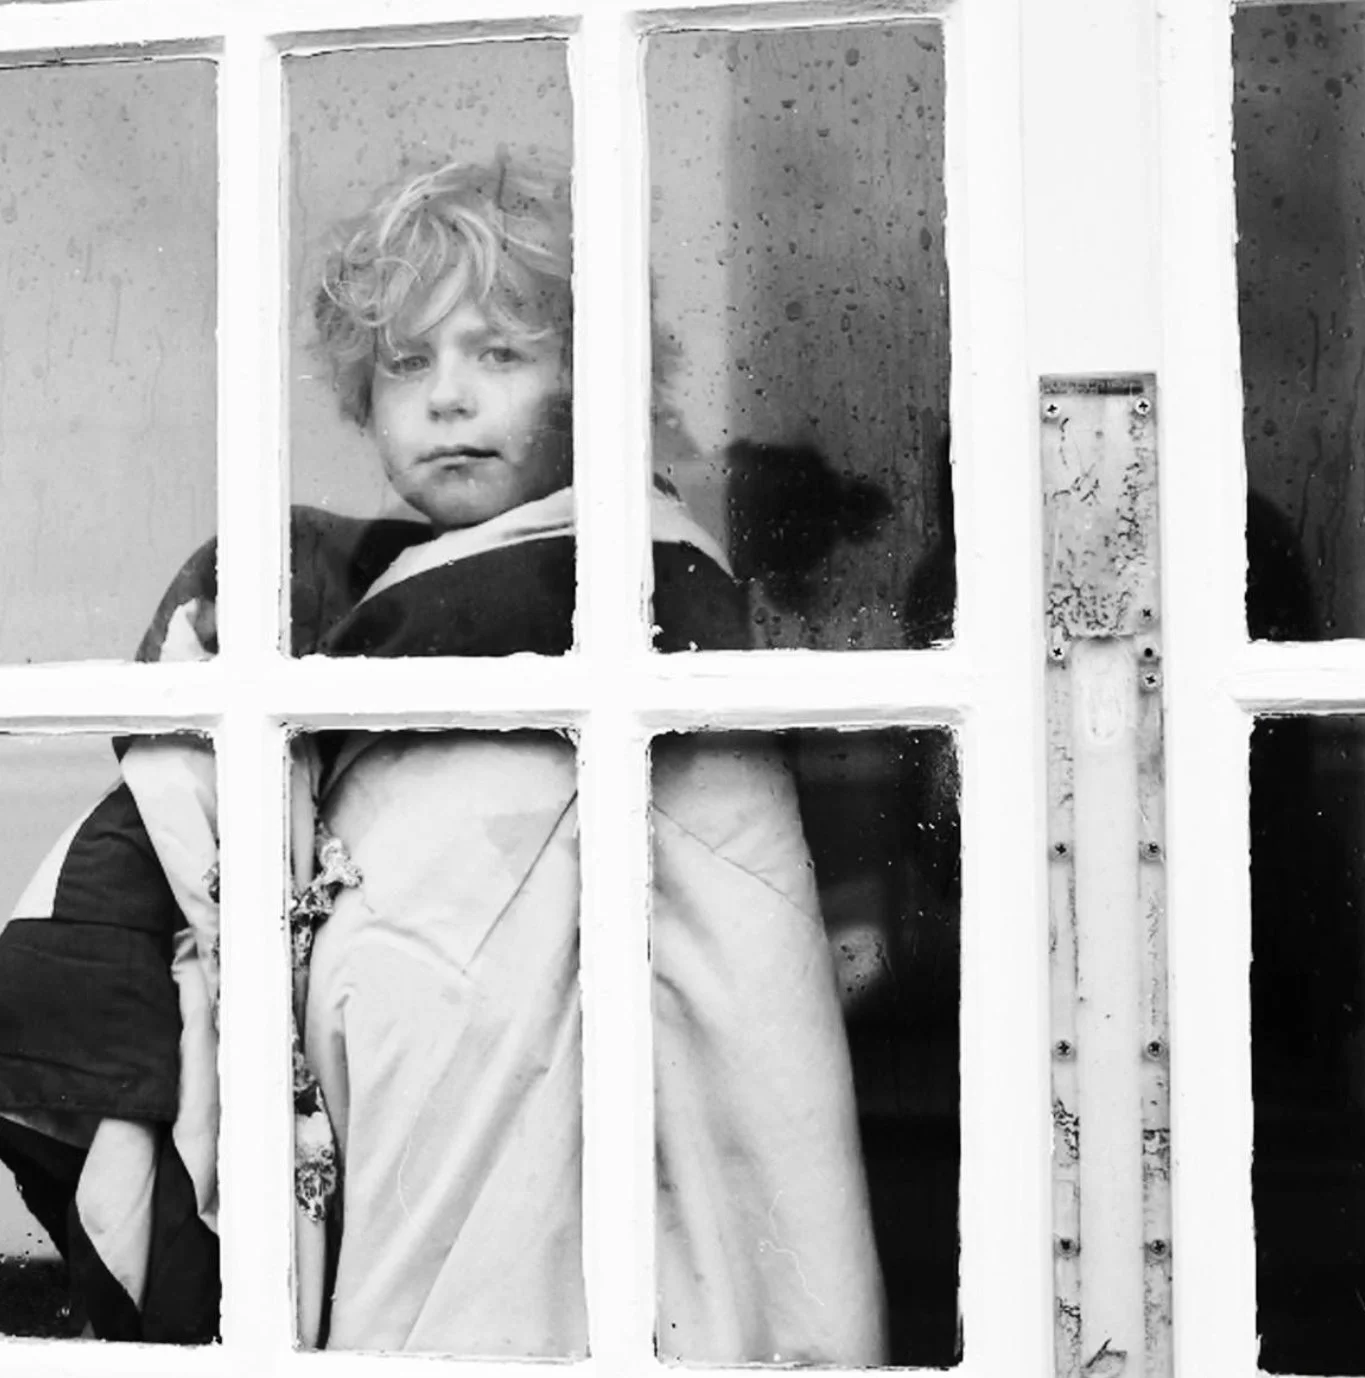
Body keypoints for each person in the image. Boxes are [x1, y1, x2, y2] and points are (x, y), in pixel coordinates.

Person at [0, 154, 886, 1362]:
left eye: (499, 354)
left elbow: (749, 983)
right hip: (392, 1141)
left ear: (585, 383)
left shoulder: (653, 590)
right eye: (408, 363)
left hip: (569, 1151)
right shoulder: (337, 613)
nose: (448, 398)